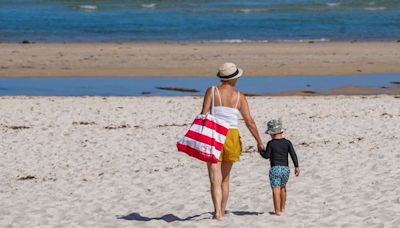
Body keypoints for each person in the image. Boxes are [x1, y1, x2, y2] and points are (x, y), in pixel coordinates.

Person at [200, 62, 264, 220]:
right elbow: (250, 122)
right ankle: (222, 210)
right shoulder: (239, 97)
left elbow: (203, 114)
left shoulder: (212, 91)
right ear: (233, 79)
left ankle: (218, 213)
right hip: (232, 136)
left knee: (215, 178)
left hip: (214, 134)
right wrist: (259, 141)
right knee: (225, 179)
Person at [260, 119, 300, 216]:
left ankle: (277, 211)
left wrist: (261, 151)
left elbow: (267, 156)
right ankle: (282, 208)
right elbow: (293, 154)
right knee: (283, 188)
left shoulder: (271, 143)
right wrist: (296, 166)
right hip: (286, 169)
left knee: (275, 190)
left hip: (275, 169)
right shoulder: (287, 142)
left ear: (272, 133)